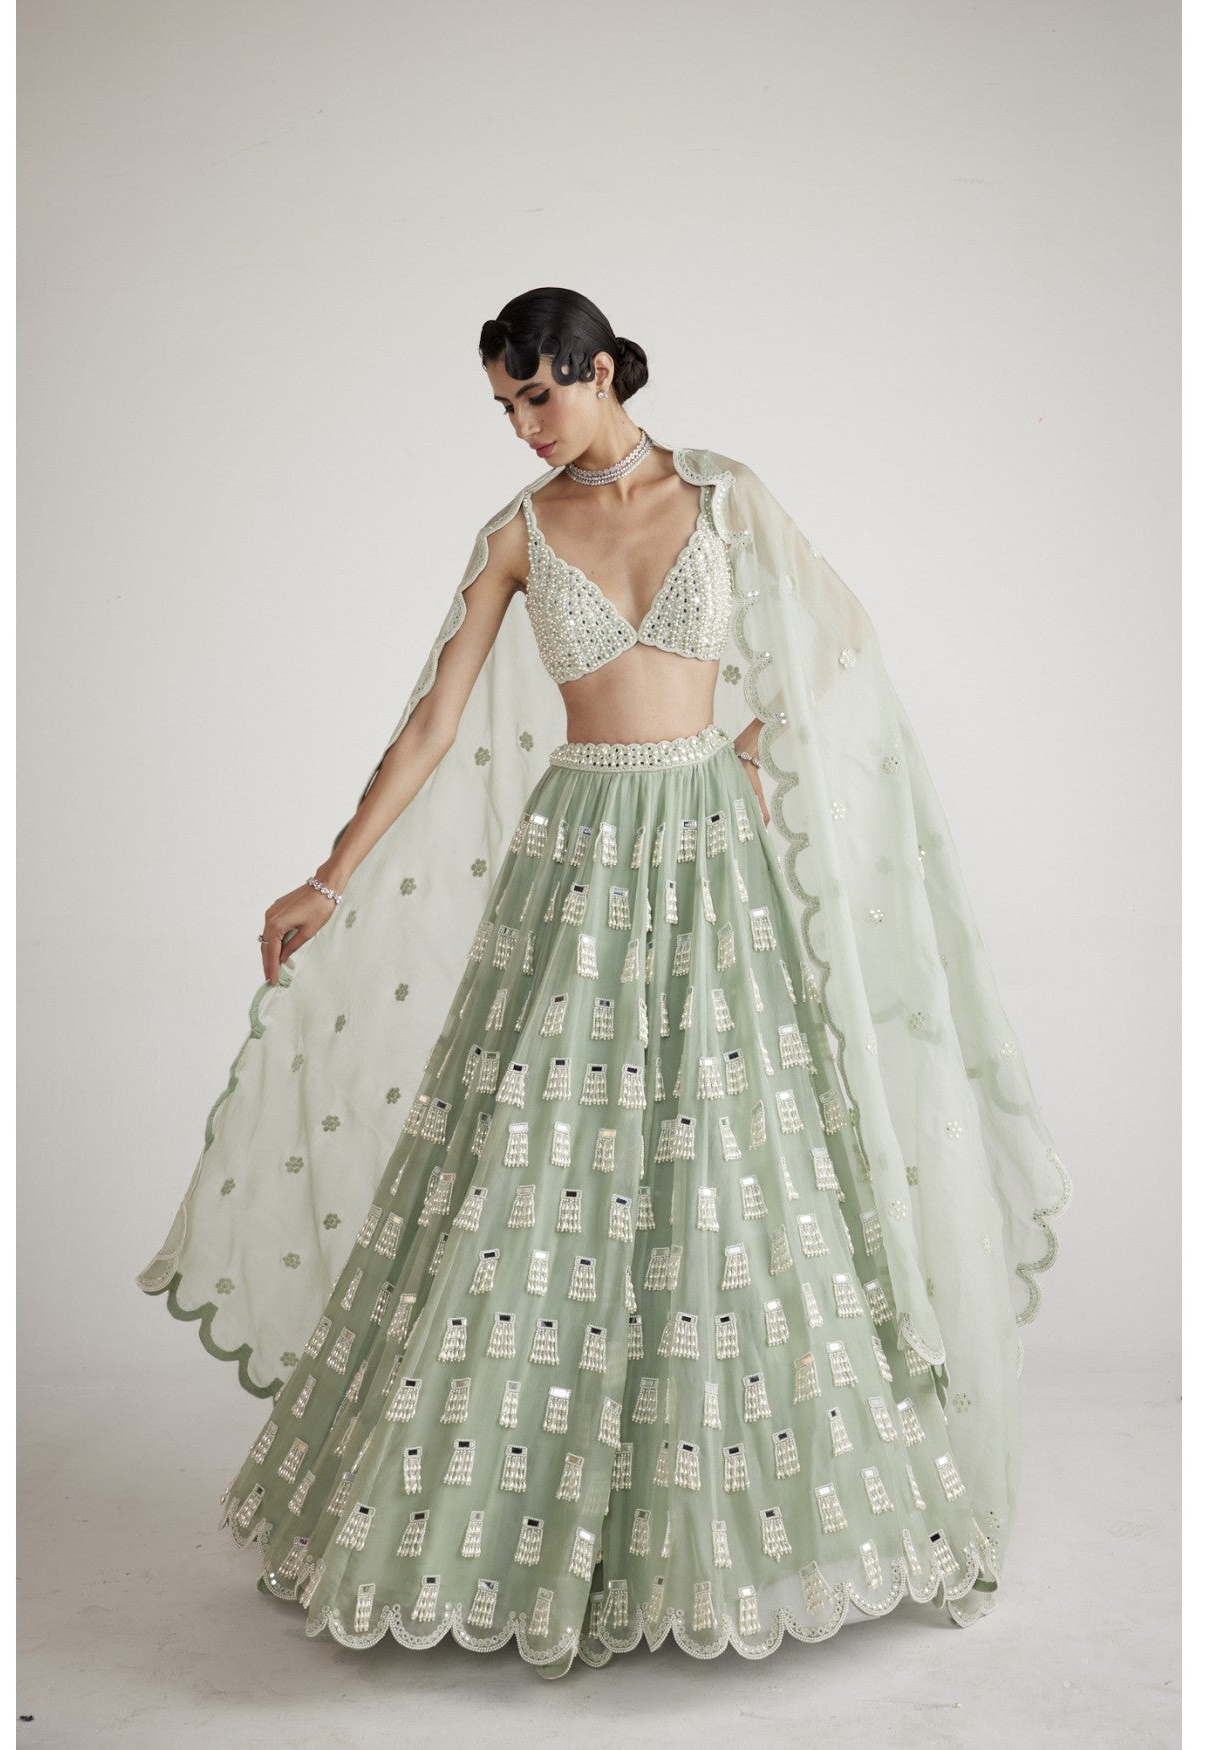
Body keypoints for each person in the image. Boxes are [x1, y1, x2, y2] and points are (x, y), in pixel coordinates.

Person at [136, 287, 1071, 1679]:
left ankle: (737, 1517)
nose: (522, 426)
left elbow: (841, 643)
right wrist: (329, 878)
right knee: (536, 1161)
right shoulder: (517, 534)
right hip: (575, 857)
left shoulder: (726, 496)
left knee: (726, 1153)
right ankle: (518, 1516)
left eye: (537, 395)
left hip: (711, 852)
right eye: (504, 406)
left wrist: (751, 748)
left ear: (599, 370)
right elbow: (433, 722)